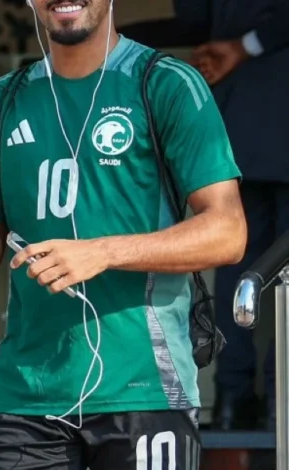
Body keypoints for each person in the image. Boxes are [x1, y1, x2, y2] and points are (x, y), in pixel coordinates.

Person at [0, 0, 248, 468]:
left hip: (145, 389)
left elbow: (228, 231)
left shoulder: (165, 83)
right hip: (26, 394)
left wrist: (103, 252)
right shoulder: (3, 98)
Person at [174, 0, 289, 432]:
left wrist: (234, 41)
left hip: (236, 112)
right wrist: (247, 44)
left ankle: (231, 397)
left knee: (236, 264)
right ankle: (281, 400)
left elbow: (192, 17)